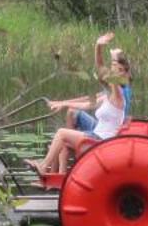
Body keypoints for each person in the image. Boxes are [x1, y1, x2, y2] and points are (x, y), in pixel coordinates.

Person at [31, 32, 131, 178]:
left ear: (124, 75)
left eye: (118, 69)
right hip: (98, 135)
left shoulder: (119, 95)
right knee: (66, 130)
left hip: (101, 141)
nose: (114, 70)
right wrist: (62, 104)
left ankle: (43, 166)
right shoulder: (109, 95)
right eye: (114, 67)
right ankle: (57, 175)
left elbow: (104, 71)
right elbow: (87, 104)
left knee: (61, 133)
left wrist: (105, 52)